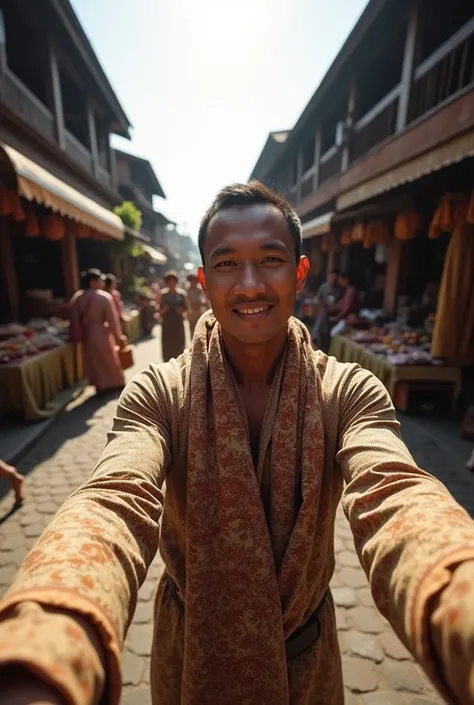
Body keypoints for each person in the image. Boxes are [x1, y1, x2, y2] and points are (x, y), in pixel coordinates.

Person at [0, 182, 474, 705]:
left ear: (299, 272)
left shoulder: (348, 390)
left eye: (270, 259)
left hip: (306, 660)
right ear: (203, 280)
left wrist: (457, 594)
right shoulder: (160, 393)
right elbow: (113, 499)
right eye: (227, 264)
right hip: (189, 654)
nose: (249, 284)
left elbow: (395, 496)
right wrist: (46, 645)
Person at [69, 269, 127, 394]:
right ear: (93, 282)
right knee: (109, 359)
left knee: (94, 361)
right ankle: (115, 383)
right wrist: (118, 336)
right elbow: (113, 320)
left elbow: (74, 319)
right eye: (100, 280)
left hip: (87, 333)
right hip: (101, 331)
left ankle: (99, 385)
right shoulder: (104, 297)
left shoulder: (78, 297)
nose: (102, 282)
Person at [159, 271, 188, 362]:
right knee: (167, 346)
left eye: (173, 281)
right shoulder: (163, 295)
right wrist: (164, 310)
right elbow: (158, 312)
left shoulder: (181, 294)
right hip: (167, 324)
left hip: (178, 323)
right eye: (169, 281)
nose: (172, 284)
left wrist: (181, 310)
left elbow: (187, 308)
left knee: (179, 345)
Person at [311, 270, 343, 352]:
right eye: (331, 277)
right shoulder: (324, 287)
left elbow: (341, 303)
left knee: (328, 338)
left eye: (335, 278)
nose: (333, 279)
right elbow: (317, 299)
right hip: (323, 314)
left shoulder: (340, 290)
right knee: (319, 333)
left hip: (333, 316)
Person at [185, 272, 208, 338]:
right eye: (192, 281)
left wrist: (201, 303)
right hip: (191, 314)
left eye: (195, 281)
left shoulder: (200, 290)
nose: (193, 282)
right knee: (192, 331)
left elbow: (205, 301)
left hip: (200, 314)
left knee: (201, 331)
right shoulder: (187, 291)